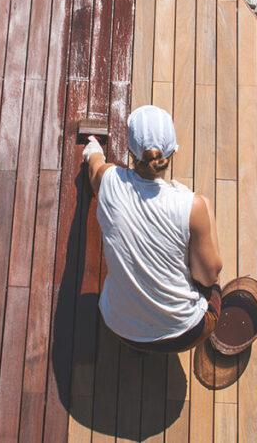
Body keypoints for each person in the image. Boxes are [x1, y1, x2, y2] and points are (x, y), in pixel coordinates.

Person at [82, 105, 223, 353]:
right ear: (172, 153)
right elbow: (208, 277)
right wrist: (205, 210)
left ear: (130, 151)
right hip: (185, 333)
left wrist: (93, 147)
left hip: (120, 327)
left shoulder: (109, 181)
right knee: (212, 274)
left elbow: (94, 167)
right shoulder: (192, 205)